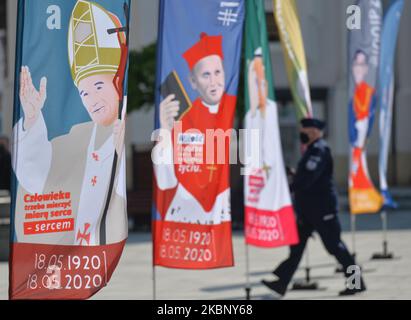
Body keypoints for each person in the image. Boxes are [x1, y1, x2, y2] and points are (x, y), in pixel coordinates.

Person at [13, 0, 127, 246]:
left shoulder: (120, 135)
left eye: (98, 86)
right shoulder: (78, 136)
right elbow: (36, 178)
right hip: (71, 257)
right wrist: (32, 119)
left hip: (101, 252)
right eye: (84, 93)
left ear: (117, 82)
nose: (92, 100)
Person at [262, 118, 366, 297]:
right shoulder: (312, 150)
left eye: (305, 131)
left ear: (314, 132)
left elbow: (308, 179)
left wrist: (287, 189)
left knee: (335, 247)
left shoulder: (319, 150)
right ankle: (281, 283)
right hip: (308, 211)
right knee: (296, 247)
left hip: (322, 210)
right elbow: (307, 176)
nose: (302, 134)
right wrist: (292, 173)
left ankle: (356, 283)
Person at [153, 32, 236, 224]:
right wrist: (165, 130)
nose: (214, 81)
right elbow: (165, 182)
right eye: (206, 75)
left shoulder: (233, 106)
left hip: (221, 209)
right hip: (187, 214)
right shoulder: (183, 119)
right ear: (193, 81)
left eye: (218, 72)